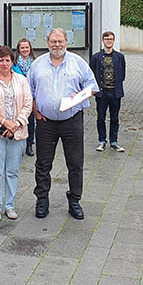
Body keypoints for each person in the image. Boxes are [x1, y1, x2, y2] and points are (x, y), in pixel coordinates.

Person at [28, 28, 98, 220]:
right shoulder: (37, 64)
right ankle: (42, 199)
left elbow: (92, 86)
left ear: (66, 42)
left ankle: (74, 200)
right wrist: (35, 111)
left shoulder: (78, 63)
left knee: (75, 163)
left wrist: (80, 95)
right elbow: (29, 91)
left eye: (60, 41)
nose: (56, 45)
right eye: (53, 41)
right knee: (43, 163)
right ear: (47, 42)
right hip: (45, 122)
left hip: (72, 122)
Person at [0, 46, 33, 221]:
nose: (4, 63)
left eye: (7, 60)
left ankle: (10, 205)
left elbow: (28, 103)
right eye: (1, 60)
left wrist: (16, 123)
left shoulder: (21, 80)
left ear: (12, 61)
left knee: (12, 171)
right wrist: (5, 122)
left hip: (17, 132)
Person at [90, 31, 126, 152]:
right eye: (106, 39)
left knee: (115, 118)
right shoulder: (96, 57)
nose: (109, 41)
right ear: (103, 41)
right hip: (102, 93)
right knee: (101, 118)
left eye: (111, 39)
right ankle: (102, 141)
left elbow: (123, 75)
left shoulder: (120, 57)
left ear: (113, 41)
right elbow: (92, 73)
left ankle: (114, 141)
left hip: (115, 93)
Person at [12, 38, 36, 156]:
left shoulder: (35, 62)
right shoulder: (14, 63)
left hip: (31, 96)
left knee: (30, 121)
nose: (25, 50)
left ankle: (29, 144)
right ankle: (18, 144)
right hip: (18, 96)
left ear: (30, 48)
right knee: (18, 120)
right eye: (22, 48)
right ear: (18, 49)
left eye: (27, 47)